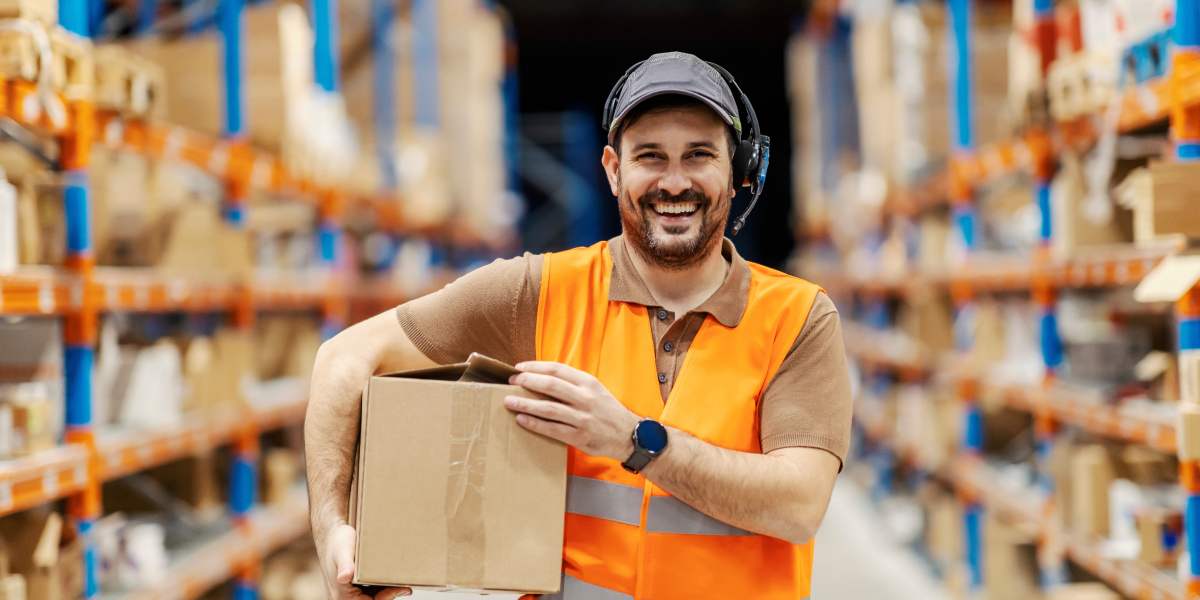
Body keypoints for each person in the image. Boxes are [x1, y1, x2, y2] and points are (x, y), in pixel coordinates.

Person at [306, 52, 852, 600]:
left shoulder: (797, 318)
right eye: (650, 156)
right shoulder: (539, 293)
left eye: (699, 155)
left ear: (736, 172)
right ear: (614, 170)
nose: (675, 181)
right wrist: (334, 536)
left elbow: (799, 506)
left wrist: (633, 440)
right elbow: (344, 359)